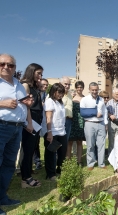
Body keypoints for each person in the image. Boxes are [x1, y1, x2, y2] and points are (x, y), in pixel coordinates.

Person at [0, 53, 33, 214]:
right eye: (2, 64)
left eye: (10, 65)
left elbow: (24, 103)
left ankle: (2, 197)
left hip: (17, 128)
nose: (6, 67)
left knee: (8, 165)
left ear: (15, 67)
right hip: (1, 127)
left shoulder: (18, 84)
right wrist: (2, 103)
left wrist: (28, 102)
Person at [20, 63, 44, 188]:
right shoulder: (25, 85)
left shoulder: (34, 87)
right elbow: (26, 107)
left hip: (37, 120)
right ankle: (26, 179)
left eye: (41, 74)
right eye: (38, 73)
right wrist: (29, 123)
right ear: (31, 71)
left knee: (32, 148)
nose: (40, 76)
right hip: (31, 120)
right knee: (28, 150)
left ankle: (27, 173)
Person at [80, 82, 106, 170]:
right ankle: (90, 164)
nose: (95, 91)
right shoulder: (84, 100)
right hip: (89, 124)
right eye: (93, 90)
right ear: (89, 90)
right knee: (90, 145)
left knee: (101, 144)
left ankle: (101, 163)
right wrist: (95, 113)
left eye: (96, 90)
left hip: (101, 124)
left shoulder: (101, 99)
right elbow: (83, 113)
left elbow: (104, 112)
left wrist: (105, 123)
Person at [44, 83, 67, 180]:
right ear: (54, 91)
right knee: (51, 154)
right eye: (59, 92)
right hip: (52, 132)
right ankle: (50, 174)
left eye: (62, 93)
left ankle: (59, 169)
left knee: (62, 153)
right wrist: (49, 132)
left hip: (62, 131)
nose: (61, 94)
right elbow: (48, 117)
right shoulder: (50, 101)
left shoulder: (60, 102)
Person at [67, 81, 85, 165]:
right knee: (69, 142)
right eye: (78, 87)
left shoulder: (85, 98)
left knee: (79, 141)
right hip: (73, 121)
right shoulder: (71, 97)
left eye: (81, 87)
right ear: (76, 88)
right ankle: (68, 162)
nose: (79, 88)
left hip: (81, 122)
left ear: (83, 88)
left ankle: (79, 161)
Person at [58, 77, 73, 173]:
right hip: (60, 121)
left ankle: (62, 163)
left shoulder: (70, 95)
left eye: (69, 84)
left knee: (65, 143)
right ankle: (57, 164)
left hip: (68, 121)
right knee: (58, 143)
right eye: (65, 84)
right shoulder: (56, 93)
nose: (67, 86)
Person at [33, 78, 49, 170]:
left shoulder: (48, 96)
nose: (45, 86)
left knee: (47, 142)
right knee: (36, 143)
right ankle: (37, 162)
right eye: (43, 84)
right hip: (36, 121)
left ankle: (48, 160)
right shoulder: (36, 94)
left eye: (46, 85)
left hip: (45, 122)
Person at [106, 88, 118, 155]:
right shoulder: (109, 102)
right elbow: (106, 112)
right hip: (112, 123)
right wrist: (110, 115)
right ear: (113, 94)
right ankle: (110, 154)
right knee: (111, 140)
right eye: (117, 94)